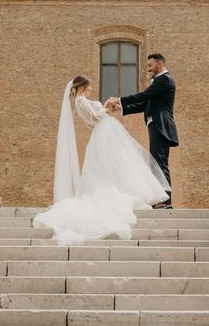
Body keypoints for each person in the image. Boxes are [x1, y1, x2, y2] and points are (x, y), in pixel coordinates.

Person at [32, 75, 170, 245]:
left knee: (117, 165)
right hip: (103, 133)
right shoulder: (80, 101)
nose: (91, 89)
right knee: (110, 166)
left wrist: (106, 108)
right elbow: (94, 119)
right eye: (89, 87)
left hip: (107, 132)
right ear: (82, 87)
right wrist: (106, 107)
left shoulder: (83, 100)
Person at [105, 53, 178, 209]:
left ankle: (165, 201)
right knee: (156, 164)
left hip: (161, 127)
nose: (148, 69)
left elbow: (143, 96)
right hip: (156, 127)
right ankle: (162, 200)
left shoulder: (165, 80)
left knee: (160, 164)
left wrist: (118, 99)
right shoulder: (160, 82)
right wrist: (121, 109)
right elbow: (145, 104)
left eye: (150, 65)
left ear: (159, 64)